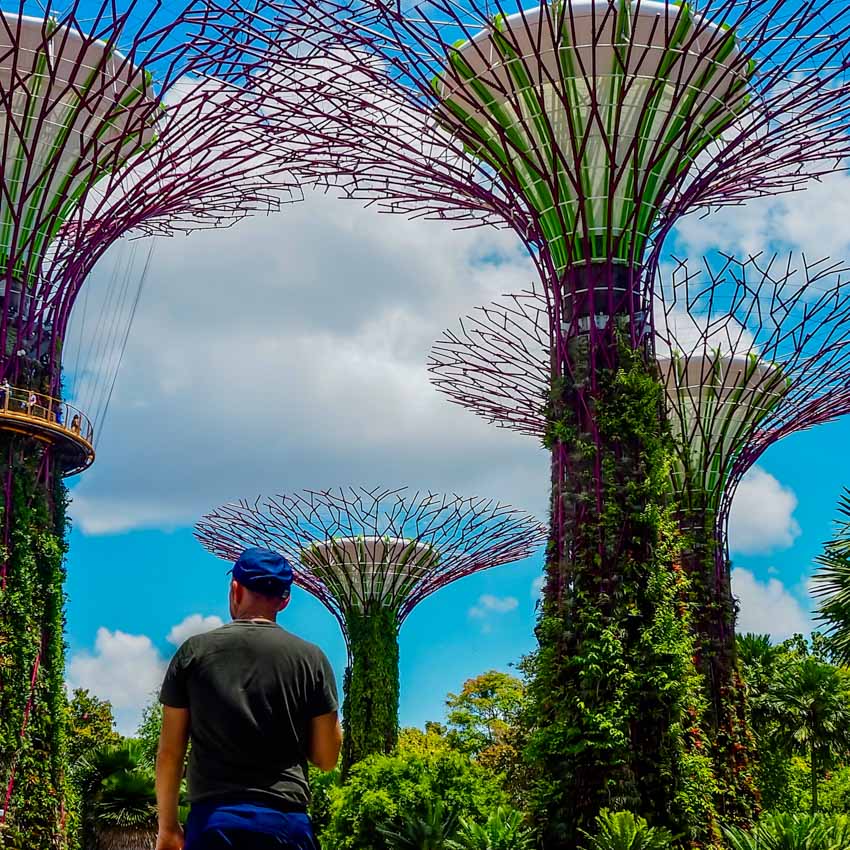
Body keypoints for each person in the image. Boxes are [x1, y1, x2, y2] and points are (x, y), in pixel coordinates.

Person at [156, 547, 342, 850]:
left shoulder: (194, 653)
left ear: (235, 589)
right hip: (286, 824)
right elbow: (326, 758)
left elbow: (170, 752)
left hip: (215, 823)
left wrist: (168, 828)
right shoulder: (312, 659)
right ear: (285, 599)